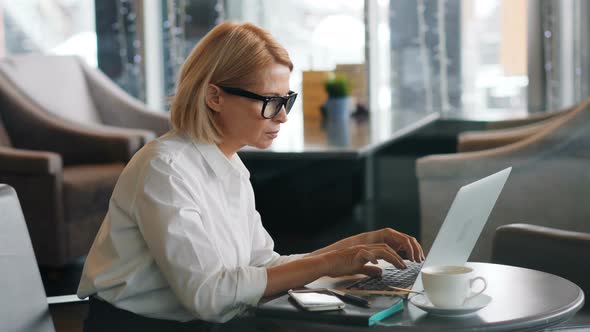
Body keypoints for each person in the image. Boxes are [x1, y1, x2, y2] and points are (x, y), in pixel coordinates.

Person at [78, 21, 424, 331]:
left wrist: (355, 248)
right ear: (215, 96)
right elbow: (209, 296)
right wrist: (330, 262)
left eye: (286, 100)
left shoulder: (229, 166)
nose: (283, 117)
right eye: (270, 101)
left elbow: (263, 266)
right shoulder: (164, 168)